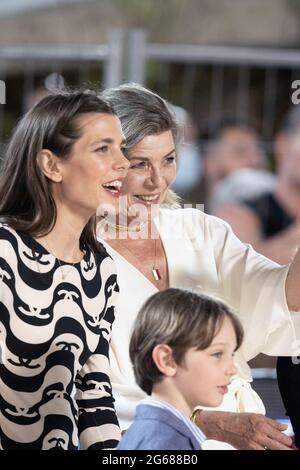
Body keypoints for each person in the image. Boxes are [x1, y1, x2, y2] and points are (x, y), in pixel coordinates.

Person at [99, 83, 300, 450]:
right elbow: (76, 397)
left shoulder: (199, 231)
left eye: (169, 160)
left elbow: (280, 298)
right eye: (140, 163)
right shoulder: (70, 254)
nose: (157, 182)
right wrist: (199, 423)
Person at [0, 89, 129, 449]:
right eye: (103, 148)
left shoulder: (101, 268)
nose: (123, 162)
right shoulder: (4, 251)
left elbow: (95, 397)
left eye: (121, 147)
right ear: (51, 165)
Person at [117, 288, 243, 450]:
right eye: (217, 354)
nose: (233, 369)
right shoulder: (166, 444)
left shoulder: (145, 431)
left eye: (232, 354)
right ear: (167, 360)